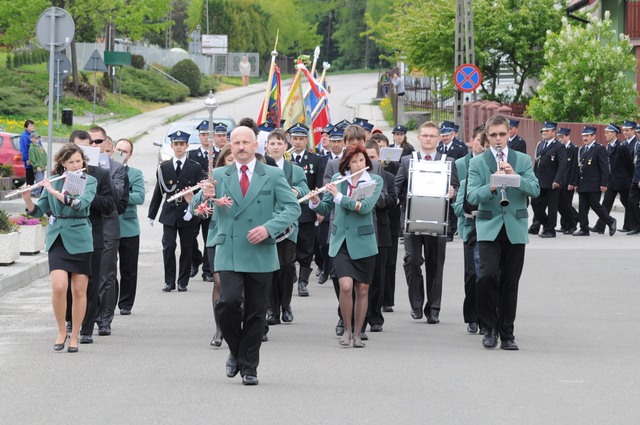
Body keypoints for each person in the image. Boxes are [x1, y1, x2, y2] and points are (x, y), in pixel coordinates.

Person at [202, 126, 300, 385]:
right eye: (236, 143)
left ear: (256, 144)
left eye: (246, 142)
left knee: (256, 312)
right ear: (230, 146)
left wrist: (268, 228)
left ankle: (249, 368)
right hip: (229, 249)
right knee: (228, 302)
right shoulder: (219, 175)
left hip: (261, 250)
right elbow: (197, 207)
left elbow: (292, 208)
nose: (241, 147)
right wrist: (204, 196)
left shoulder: (273, 174)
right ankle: (236, 350)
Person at [466, 114, 540, 350]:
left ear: (509, 134)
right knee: (487, 276)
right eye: (493, 135)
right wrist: (491, 185)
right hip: (489, 226)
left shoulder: (522, 159)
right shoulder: (478, 162)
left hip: (515, 226)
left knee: (510, 281)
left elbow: (535, 190)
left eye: (502, 134)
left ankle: (507, 333)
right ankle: (489, 327)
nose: (498, 139)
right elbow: (471, 196)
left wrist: (515, 178)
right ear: (487, 137)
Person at [21, 143, 97, 353]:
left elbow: (79, 204)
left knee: (79, 290)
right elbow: (39, 212)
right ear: (63, 163)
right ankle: (61, 330)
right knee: (59, 286)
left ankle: (75, 335)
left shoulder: (89, 181)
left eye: (79, 161)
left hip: (80, 238)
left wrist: (53, 191)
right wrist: (28, 199)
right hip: (58, 238)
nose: (76, 165)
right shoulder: (54, 180)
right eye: (71, 162)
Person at [310, 144, 383, 347]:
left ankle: (358, 333)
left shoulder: (374, 181)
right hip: (341, 240)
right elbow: (326, 207)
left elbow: (364, 207)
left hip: (363, 241)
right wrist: (315, 201)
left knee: (362, 289)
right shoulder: (337, 180)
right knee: (345, 286)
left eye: (361, 160)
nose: (358, 164)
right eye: (354, 161)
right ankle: (347, 329)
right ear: (347, 164)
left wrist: (339, 197)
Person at [394, 121, 459, 324]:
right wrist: (395, 198)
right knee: (412, 261)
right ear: (419, 138)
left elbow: (456, 189)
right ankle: (416, 304)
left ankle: (433, 309)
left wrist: (453, 193)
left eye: (432, 136)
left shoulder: (448, 162)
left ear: (438, 139)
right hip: (412, 220)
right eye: (425, 135)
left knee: (435, 265)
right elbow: (397, 187)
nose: (428, 139)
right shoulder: (407, 161)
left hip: (438, 221)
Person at [66, 130, 116, 344]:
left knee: (91, 282)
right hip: (68, 233)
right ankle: (71, 321)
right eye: (77, 148)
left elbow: (109, 205)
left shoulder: (99, 174)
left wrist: (87, 192)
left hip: (92, 233)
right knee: (68, 282)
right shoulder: (60, 173)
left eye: (86, 148)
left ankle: (86, 328)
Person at [148, 130, 206, 292]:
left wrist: (193, 209)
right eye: (176, 144)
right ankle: (169, 281)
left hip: (187, 212)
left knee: (186, 248)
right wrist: (152, 213)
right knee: (168, 247)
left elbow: (200, 192)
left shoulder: (195, 167)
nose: (179, 147)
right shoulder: (164, 167)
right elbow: (159, 191)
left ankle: (182, 281)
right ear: (172, 146)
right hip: (170, 212)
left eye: (182, 144)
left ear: (187, 146)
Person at [264, 129, 309, 323]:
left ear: (286, 146)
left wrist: (296, 190)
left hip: (288, 224)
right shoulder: (261, 166)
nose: (275, 147)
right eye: (272, 143)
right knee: (270, 268)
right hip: (267, 223)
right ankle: (272, 310)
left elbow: (305, 189)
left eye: (279, 143)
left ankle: (286, 305)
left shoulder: (295, 170)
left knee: (287, 266)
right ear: (267, 146)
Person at [89, 126, 129, 337]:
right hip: (85, 226)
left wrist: (102, 172)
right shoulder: (79, 166)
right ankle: (84, 318)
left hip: (107, 226)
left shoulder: (116, 167)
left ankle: (105, 320)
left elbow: (116, 197)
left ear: (106, 143)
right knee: (86, 276)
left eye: (98, 141)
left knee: (107, 275)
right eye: (90, 141)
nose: (94, 145)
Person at [453, 125, 488, 334]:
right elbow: (458, 204)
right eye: (479, 141)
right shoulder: (461, 165)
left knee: (486, 274)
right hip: (469, 227)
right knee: (471, 274)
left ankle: (486, 318)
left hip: (489, 227)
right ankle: (472, 316)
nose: (482, 147)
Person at [364, 141, 397, 332]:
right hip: (361, 230)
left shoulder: (388, 177)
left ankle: (375, 317)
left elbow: (392, 201)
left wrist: (375, 197)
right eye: (366, 157)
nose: (369, 162)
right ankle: (359, 314)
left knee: (378, 276)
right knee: (363, 278)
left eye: (373, 157)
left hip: (381, 231)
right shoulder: (354, 177)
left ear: (379, 158)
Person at [287, 123, 324, 297]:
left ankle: (303, 281)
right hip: (287, 211)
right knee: (289, 249)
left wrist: (319, 208)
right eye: (295, 138)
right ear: (290, 139)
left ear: (306, 140)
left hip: (306, 211)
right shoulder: (284, 159)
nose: (298, 142)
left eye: (301, 139)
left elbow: (319, 185)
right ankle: (291, 274)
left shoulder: (315, 160)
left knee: (306, 248)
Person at [114, 139, 145, 315]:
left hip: (128, 227)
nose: (121, 153)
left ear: (130, 155)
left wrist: (120, 195)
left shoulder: (135, 173)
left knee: (129, 269)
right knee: (108, 269)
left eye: (125, 151)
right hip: (108, 226)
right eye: (118, 149)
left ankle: (126, 304)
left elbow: (139, 197)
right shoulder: (105, 171)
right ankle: (109, 301)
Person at [572, 126, 617, 237]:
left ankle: (610, 221)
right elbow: (579, 167)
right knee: (582, 207)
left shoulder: (599, 148)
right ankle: (584, 229)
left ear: (593, 136)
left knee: (595, 205)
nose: (585, 138)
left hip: (594, 183)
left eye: (587, 136)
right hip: (583, 183)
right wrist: (576, 183)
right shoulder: (582, 149)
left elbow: (604, 167)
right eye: (583, 136)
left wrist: (604, 183)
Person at [591, 124, 633, 234]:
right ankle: (600, 227)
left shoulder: (621, 147)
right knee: (606, 203)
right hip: (612, 181)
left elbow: (629, 165)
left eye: (608, 133)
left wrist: (630, 179)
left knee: (628, 204)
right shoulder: (608, 146)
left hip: (623, 181)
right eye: (605, 133)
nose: (605, 135)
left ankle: (630, 225)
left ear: (614, 133)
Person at [530, 121, 566, 238]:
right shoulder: (540, 144)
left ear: (553, 132)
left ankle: (550, 230)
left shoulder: (559, 146)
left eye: (547, 130)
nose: (544, 133)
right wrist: (533, 178)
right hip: (540, 180)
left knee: (552, 207)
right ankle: (547, 224)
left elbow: (562, 165)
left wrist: (557, 180)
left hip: (552, 182)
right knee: (535, 203)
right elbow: (537, 163)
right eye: (543, 131)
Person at [188, 120, 214, 282]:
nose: (206, 137)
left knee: (208, 236)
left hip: (211, 201)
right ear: (199, 136)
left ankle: (207, 269)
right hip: (196, 200)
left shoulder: (218, 154)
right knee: (190, 235)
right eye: (203, 134)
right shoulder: (191, 155)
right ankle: (195, 259)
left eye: (208, 134)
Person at [556, 128, 579, 234]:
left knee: (567, 204)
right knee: (561, 205)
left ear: (568, 136)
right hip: (560, 181)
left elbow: (574, 167)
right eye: (559, 137)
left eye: (562, 137)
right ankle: (564, 225)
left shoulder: (573, 149)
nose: (560, 139)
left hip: (568, 181)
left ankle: (573, 222)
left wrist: (572, 182)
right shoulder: (559, 148)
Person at [28, 132, 47, 197]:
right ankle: (34, 192)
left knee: (42, 180)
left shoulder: (40, 147)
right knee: (39, 180)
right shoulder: (31, 148)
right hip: (38, 168)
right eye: (35, 138)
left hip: (43, 167)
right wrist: (36, 166)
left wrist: (46, 164)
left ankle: (37, 192)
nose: (37, 139)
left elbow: (45, 156)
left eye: (38, 138)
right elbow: (32, 159)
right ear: (31, 139)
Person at [20, 120, 36, 186]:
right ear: (26, 128)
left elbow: (40, 145)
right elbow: (24, 149)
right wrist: (27, 159)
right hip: (29, 159)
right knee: (30, 177)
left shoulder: (35, 134)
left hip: (36, 159)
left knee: (38, 178)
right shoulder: (24, 136)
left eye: (33, 125)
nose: (32, 127)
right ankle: (29, 190)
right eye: (30, 126)